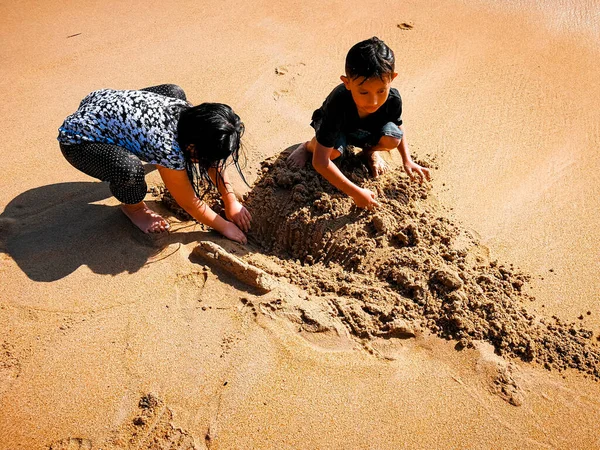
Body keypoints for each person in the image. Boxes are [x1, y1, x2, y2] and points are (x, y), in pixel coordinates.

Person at [57, 84, 251, 244]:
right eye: (203, 157)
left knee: (175, 91)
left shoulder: (188, 113)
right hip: (77, 140)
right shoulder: (168, 148)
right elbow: (189, 203)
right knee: (130, 171)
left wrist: (230, 200)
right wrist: (224, 226)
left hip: (99, 100)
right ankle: (134, 209)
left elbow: (211, 157)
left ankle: (134, 139)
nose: (209, 162)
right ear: (192, 146)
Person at [287, 37, 431, 209]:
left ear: (392, 79)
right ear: (347, 82)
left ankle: (369, 152)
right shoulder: (338, 102)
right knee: (332, 153)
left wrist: (407, 160)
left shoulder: (393, 99)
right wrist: (356, 193)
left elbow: (398, 125)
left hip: (365, 131)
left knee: (393, 139)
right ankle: (307, 146)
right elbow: (320, 162)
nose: (374, 101)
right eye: (363, 92)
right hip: (338, 129)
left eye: (381, 90)